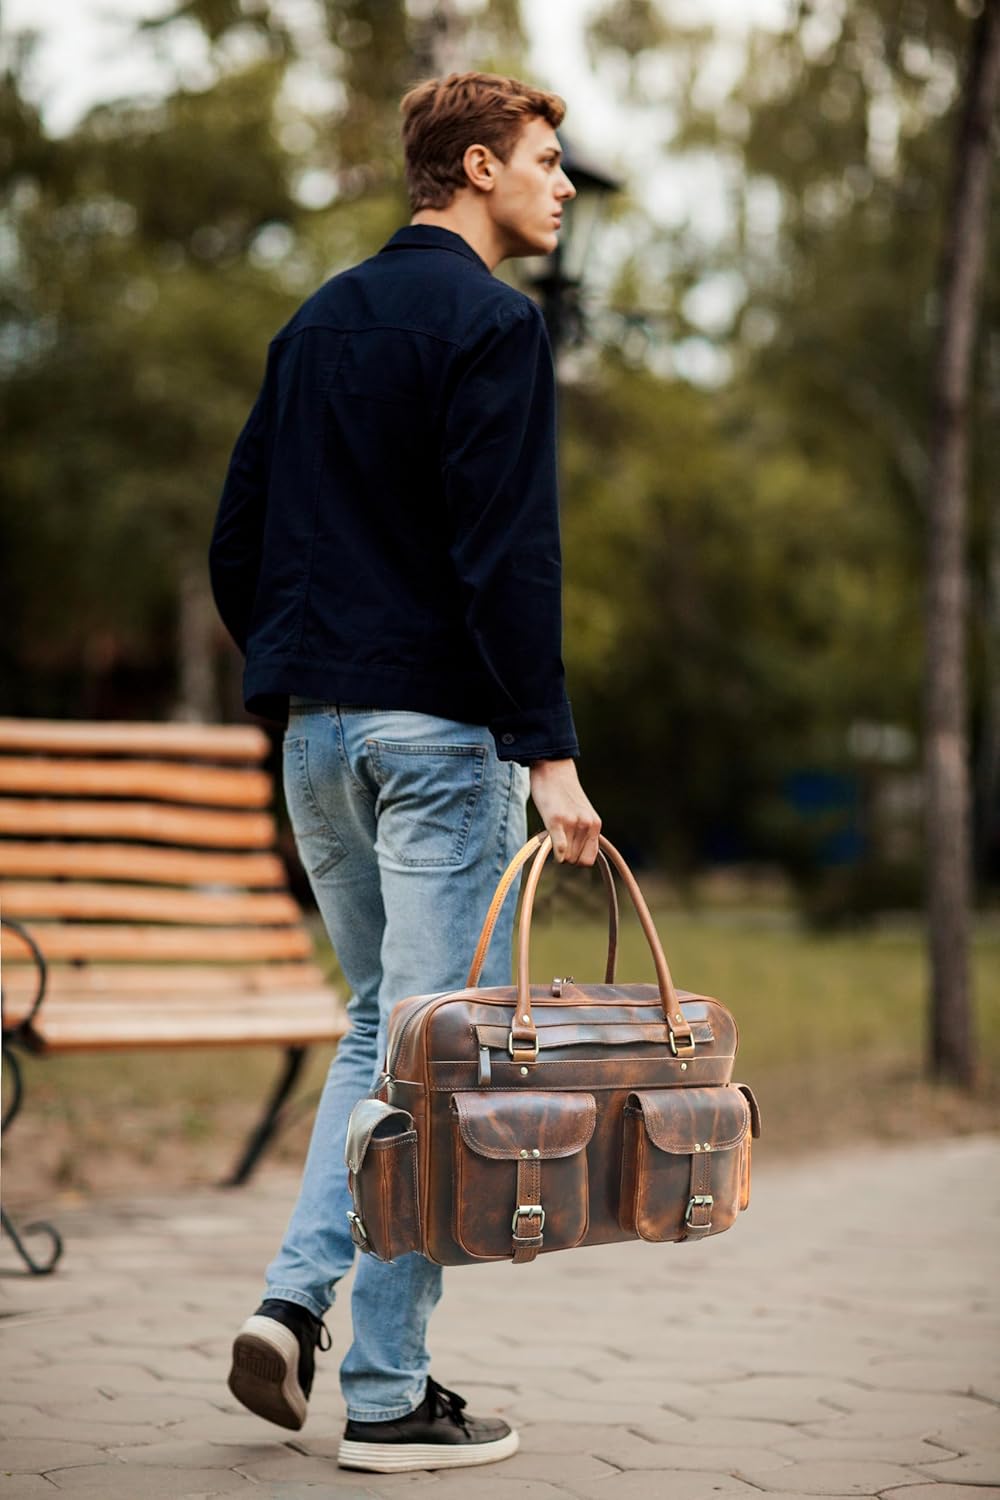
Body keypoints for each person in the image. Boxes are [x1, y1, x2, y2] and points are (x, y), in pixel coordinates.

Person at [208, 70, 600, 1475]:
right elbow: (510, 562)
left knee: (384, 1033)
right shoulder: (492, 326)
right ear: (479, 166)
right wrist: (549, 754)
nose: (563, 184)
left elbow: (237, 541)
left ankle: (292, 1307)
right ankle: (379, 1388)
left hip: (317, 734)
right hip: (438, 744)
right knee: (434, 1063)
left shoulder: (315, 322)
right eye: (548, 161)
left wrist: (312, 669)